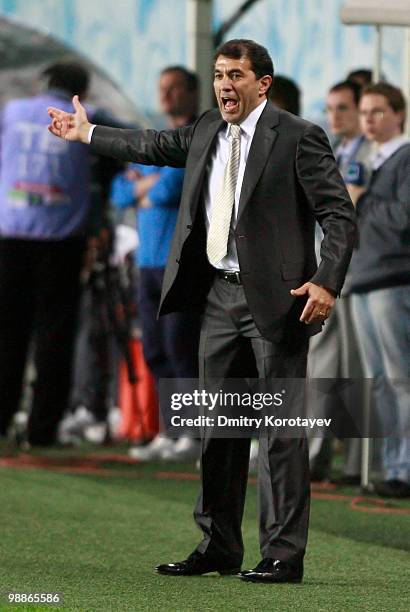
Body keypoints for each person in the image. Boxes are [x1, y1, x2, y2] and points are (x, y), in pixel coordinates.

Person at [48, 39, 356, 584]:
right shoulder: (208, 129)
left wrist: (326, 281)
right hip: (218, 298)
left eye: (235, 75)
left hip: (279, 303)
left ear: (262, 83)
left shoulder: (300, 137)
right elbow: (152, 142)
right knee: (219, 429)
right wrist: (88, 133)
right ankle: (218, 545)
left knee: (280, 433)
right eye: (218, 74)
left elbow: (338, 215)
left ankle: (283, 554)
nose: (224, 85)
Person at [110, 66, 201, 461]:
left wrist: (145, 186)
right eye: (161, 88)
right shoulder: (156, 141)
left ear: (192, 92)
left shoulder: (198, 137)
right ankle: (172, 430)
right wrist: (145, 186)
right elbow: (118, 191)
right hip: (148, 262)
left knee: (183, 349)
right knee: (155, 349)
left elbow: (170, 188)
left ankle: (195, 436)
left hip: (180, 261)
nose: (165, 96)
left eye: (174, 88)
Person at [308, 80, 374, 483]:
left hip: (359, 272)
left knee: (355, 371)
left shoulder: (369, 153)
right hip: (329, 269)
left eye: (344, 108)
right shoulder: (333, 150)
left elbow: (344, 206)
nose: (336, 116)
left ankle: (352, 462)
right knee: (323, 366)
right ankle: (316, 455)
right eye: (331, 108)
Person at [348, 82, 410, 498]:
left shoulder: (404, 158)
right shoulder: (367, 159)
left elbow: (404, 216)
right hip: (363, 278)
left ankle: (404, 468)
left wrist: (363, 199)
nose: (369, 119)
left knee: (400, 377)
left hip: (392, 279)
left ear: (399, 115)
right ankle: (393, 466)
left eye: (378, 111)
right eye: (365, 112)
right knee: (378, 381)